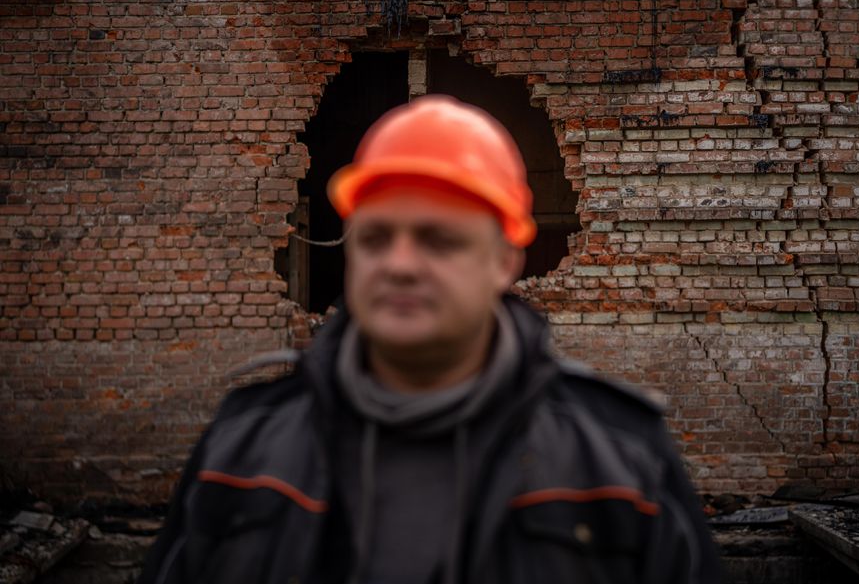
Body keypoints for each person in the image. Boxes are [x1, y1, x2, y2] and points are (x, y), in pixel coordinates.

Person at [139, 95, 720, 584]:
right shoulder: (241, 449)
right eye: (375, 239)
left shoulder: (619, 458)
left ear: (504, 260)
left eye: (438, 240)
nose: (399, 265)